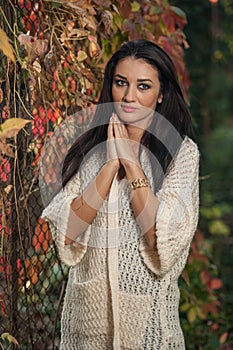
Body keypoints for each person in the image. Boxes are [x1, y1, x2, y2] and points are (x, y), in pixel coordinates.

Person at [41, 39, 199, 350]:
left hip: (149, 334)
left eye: (143, 86)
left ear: (161, 93)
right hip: (87, 333)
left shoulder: (181, 155)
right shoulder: (89, 152)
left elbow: (160, 239)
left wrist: (132, 162)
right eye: (121, 83)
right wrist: (110, 164)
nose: (129, 96)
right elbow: (68, 234)